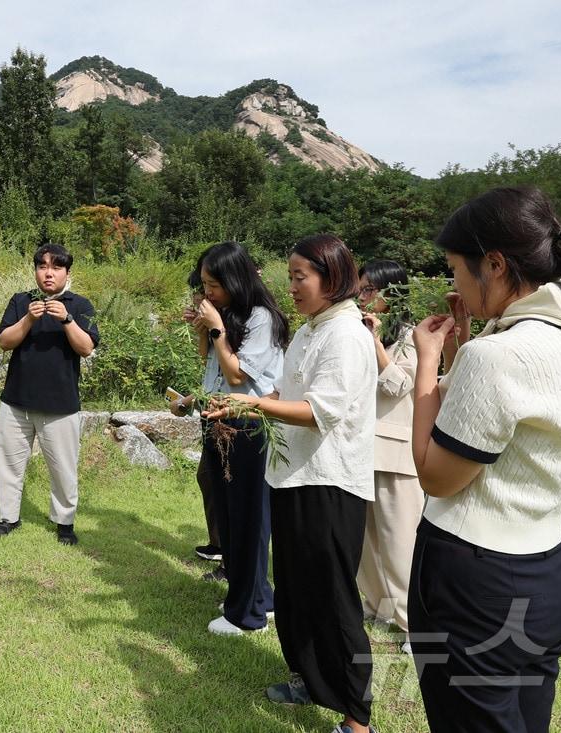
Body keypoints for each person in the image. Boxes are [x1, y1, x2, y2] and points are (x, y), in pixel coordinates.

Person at [408, 187, 561, 732]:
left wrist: (426, 365)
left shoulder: (498, 355)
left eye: (456, 269)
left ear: (496, 264)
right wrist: (464, 347)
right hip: (548, 571)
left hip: (474, 581)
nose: (454, 284)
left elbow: (436, 476)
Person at [206, 234, 376, 733]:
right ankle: (309, 679)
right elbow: (287, 391)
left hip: (331, 482)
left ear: (333, 277)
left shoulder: (346, 335)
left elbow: (318, 412)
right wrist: (244, 402)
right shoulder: (309, 330)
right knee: (298, 591)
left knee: (333, 597)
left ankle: (357, 718)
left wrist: (253, 404)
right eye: (292, 276)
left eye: (301, 277)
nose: (293, 287)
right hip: (293, 475)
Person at [184, 242, 288, 635]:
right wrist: (204, 330)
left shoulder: (262, 317)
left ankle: (247, 616)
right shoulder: (231, 315)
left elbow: (237, 378)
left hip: (248, 424)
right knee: (231, 519)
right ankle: (258, 597)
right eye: (204, 284)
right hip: (220, 420)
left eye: (214, 284)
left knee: (247, 520)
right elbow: (210, 365)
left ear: (235, 279)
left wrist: (216, 327)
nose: (208, 292)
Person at [0, 243, 99, 545]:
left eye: (56, 267)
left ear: (67, 272)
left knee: (63, 468)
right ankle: (7, 518)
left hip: (61, 404)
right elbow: (4, 342)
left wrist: (66, 319)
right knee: (9, 464)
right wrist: (28, 319)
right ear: (35, 270)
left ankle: (64, 522)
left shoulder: (80, 305)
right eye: (42, 266)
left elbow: (87, 348)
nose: (48, 273)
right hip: (16, 401)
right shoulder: (21, 301)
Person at [354, 260, 423, 640]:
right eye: (360, 289)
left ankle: (415, 626)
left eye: (369, 290)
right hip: (361, 449)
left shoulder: (413, 336)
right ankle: (378, 605)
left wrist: (376, 345)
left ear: (391, 293)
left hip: (397, 453)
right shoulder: (357, 331)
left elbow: (399, 386)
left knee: (401, 545)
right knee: (365, 541)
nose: (362, 296)